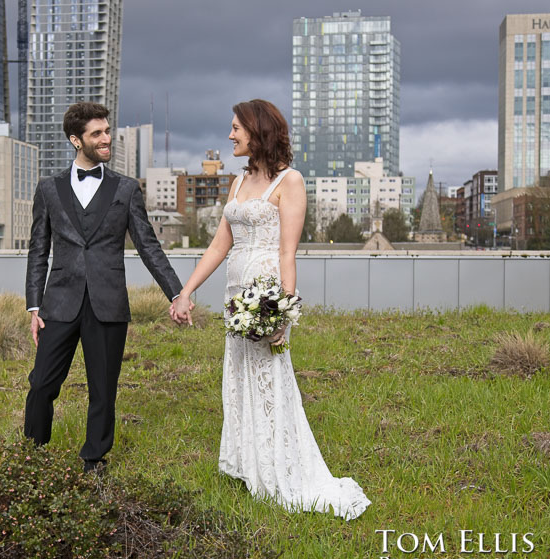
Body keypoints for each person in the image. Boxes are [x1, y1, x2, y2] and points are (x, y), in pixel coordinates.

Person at [170, 99, 370, 520]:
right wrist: (185, 292)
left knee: (269, 382)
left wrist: (282, 311)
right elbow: (220, 245)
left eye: (236, 129)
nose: (230, 136)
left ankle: (279, 467)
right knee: (239, 377)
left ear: (257, 131)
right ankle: (248, 465)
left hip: (266, 296)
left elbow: (287, 252)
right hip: (234, 295)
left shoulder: (290, 181)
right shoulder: (238, 183)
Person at [25, 102, 183, 474]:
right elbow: (38, 249)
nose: (106, 139)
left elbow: (148, 246)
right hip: (58, 303)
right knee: (42, 384)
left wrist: (176, 293)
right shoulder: (48, 189)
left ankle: (93, 459)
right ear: (75, 140)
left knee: (102, 388)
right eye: (97, 133)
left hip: (108, 304)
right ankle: (31, 457)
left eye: (108, 131)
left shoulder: (126, 189)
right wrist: (34, 306)